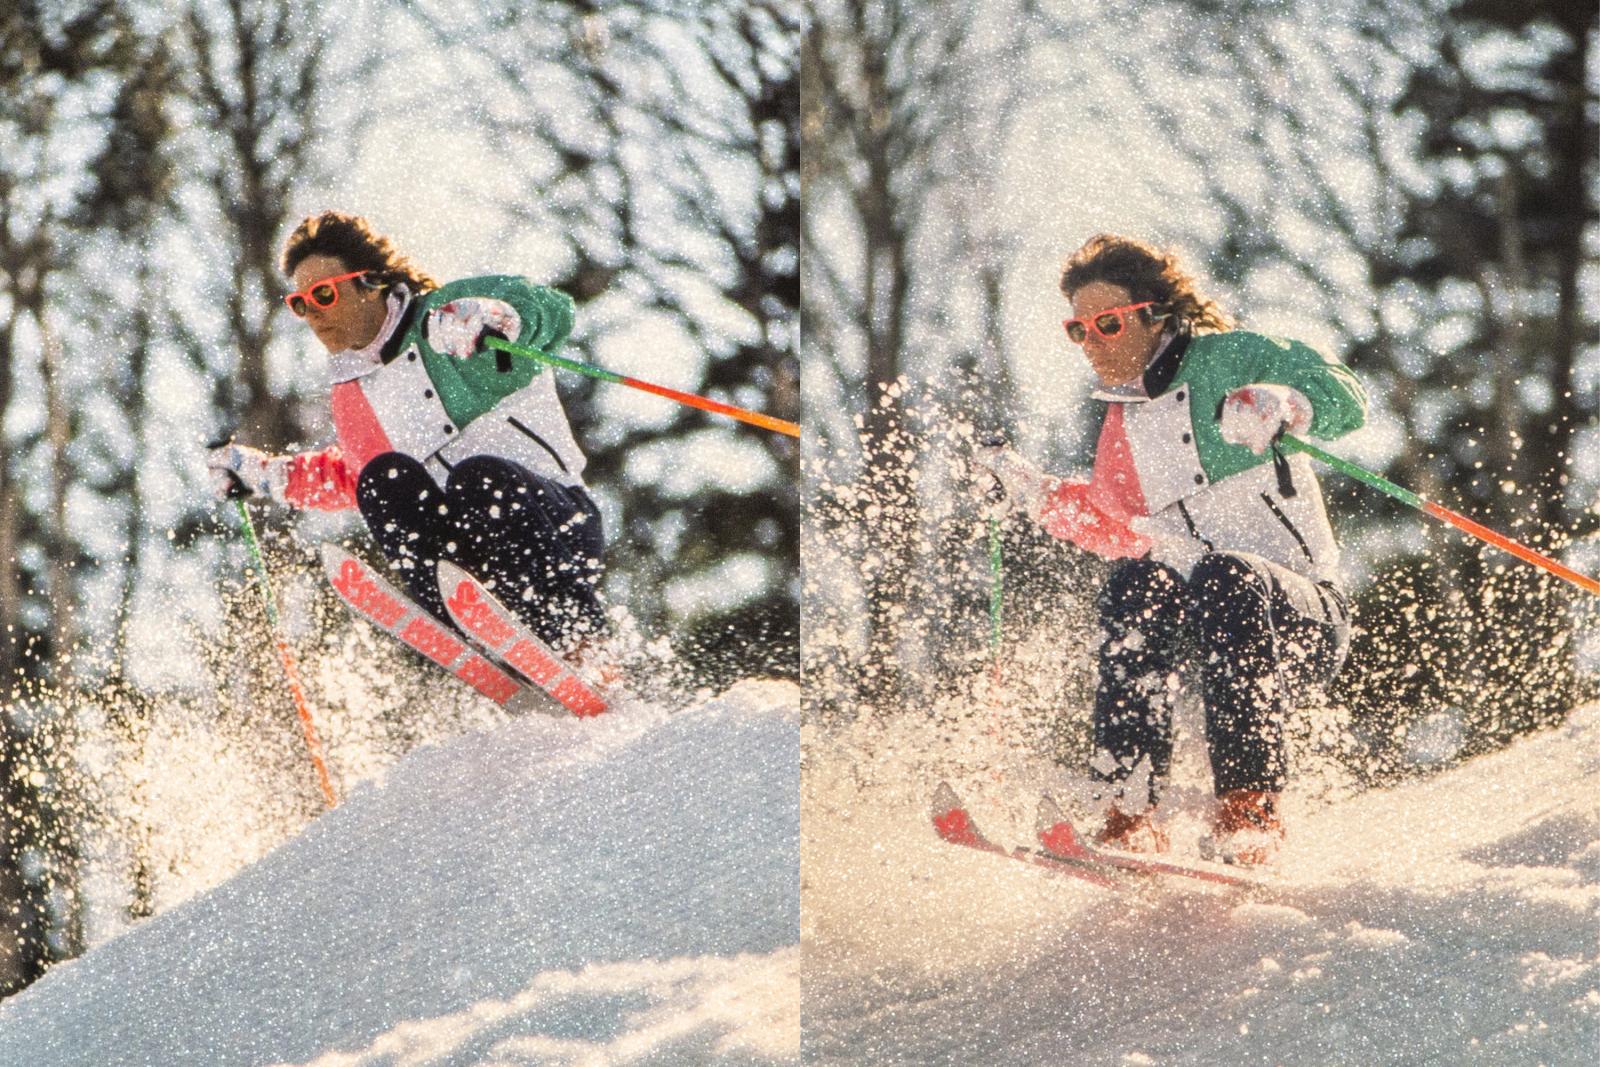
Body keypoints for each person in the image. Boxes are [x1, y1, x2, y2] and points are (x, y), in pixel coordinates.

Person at [975, 234, 1366, 865]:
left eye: (1108, 322)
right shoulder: (1122, 422)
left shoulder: (1232, 356)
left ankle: (1250, 808)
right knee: (1138, 581)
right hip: (1205, 636)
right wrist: (1034, 492)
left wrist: (1284, 403)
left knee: (1224, 574)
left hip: (1299, 615)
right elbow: (1117, 529)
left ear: (1153, 314)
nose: (1094, 341)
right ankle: (1129, 809)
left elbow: (1344, 394)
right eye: (1079, 330)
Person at [206, 211, 606, 656]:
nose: (315, 315)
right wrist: (266, 475)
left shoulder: (447, 317)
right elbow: (353, 477)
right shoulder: (353, 394)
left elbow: (551, 309)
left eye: (324, 294)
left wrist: (496, 316)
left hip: (554, 525)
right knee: (384, 480)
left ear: (371, 282)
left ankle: (581, 643)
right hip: (469, 554)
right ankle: (475, 631)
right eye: (301, 304)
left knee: (478, 478)